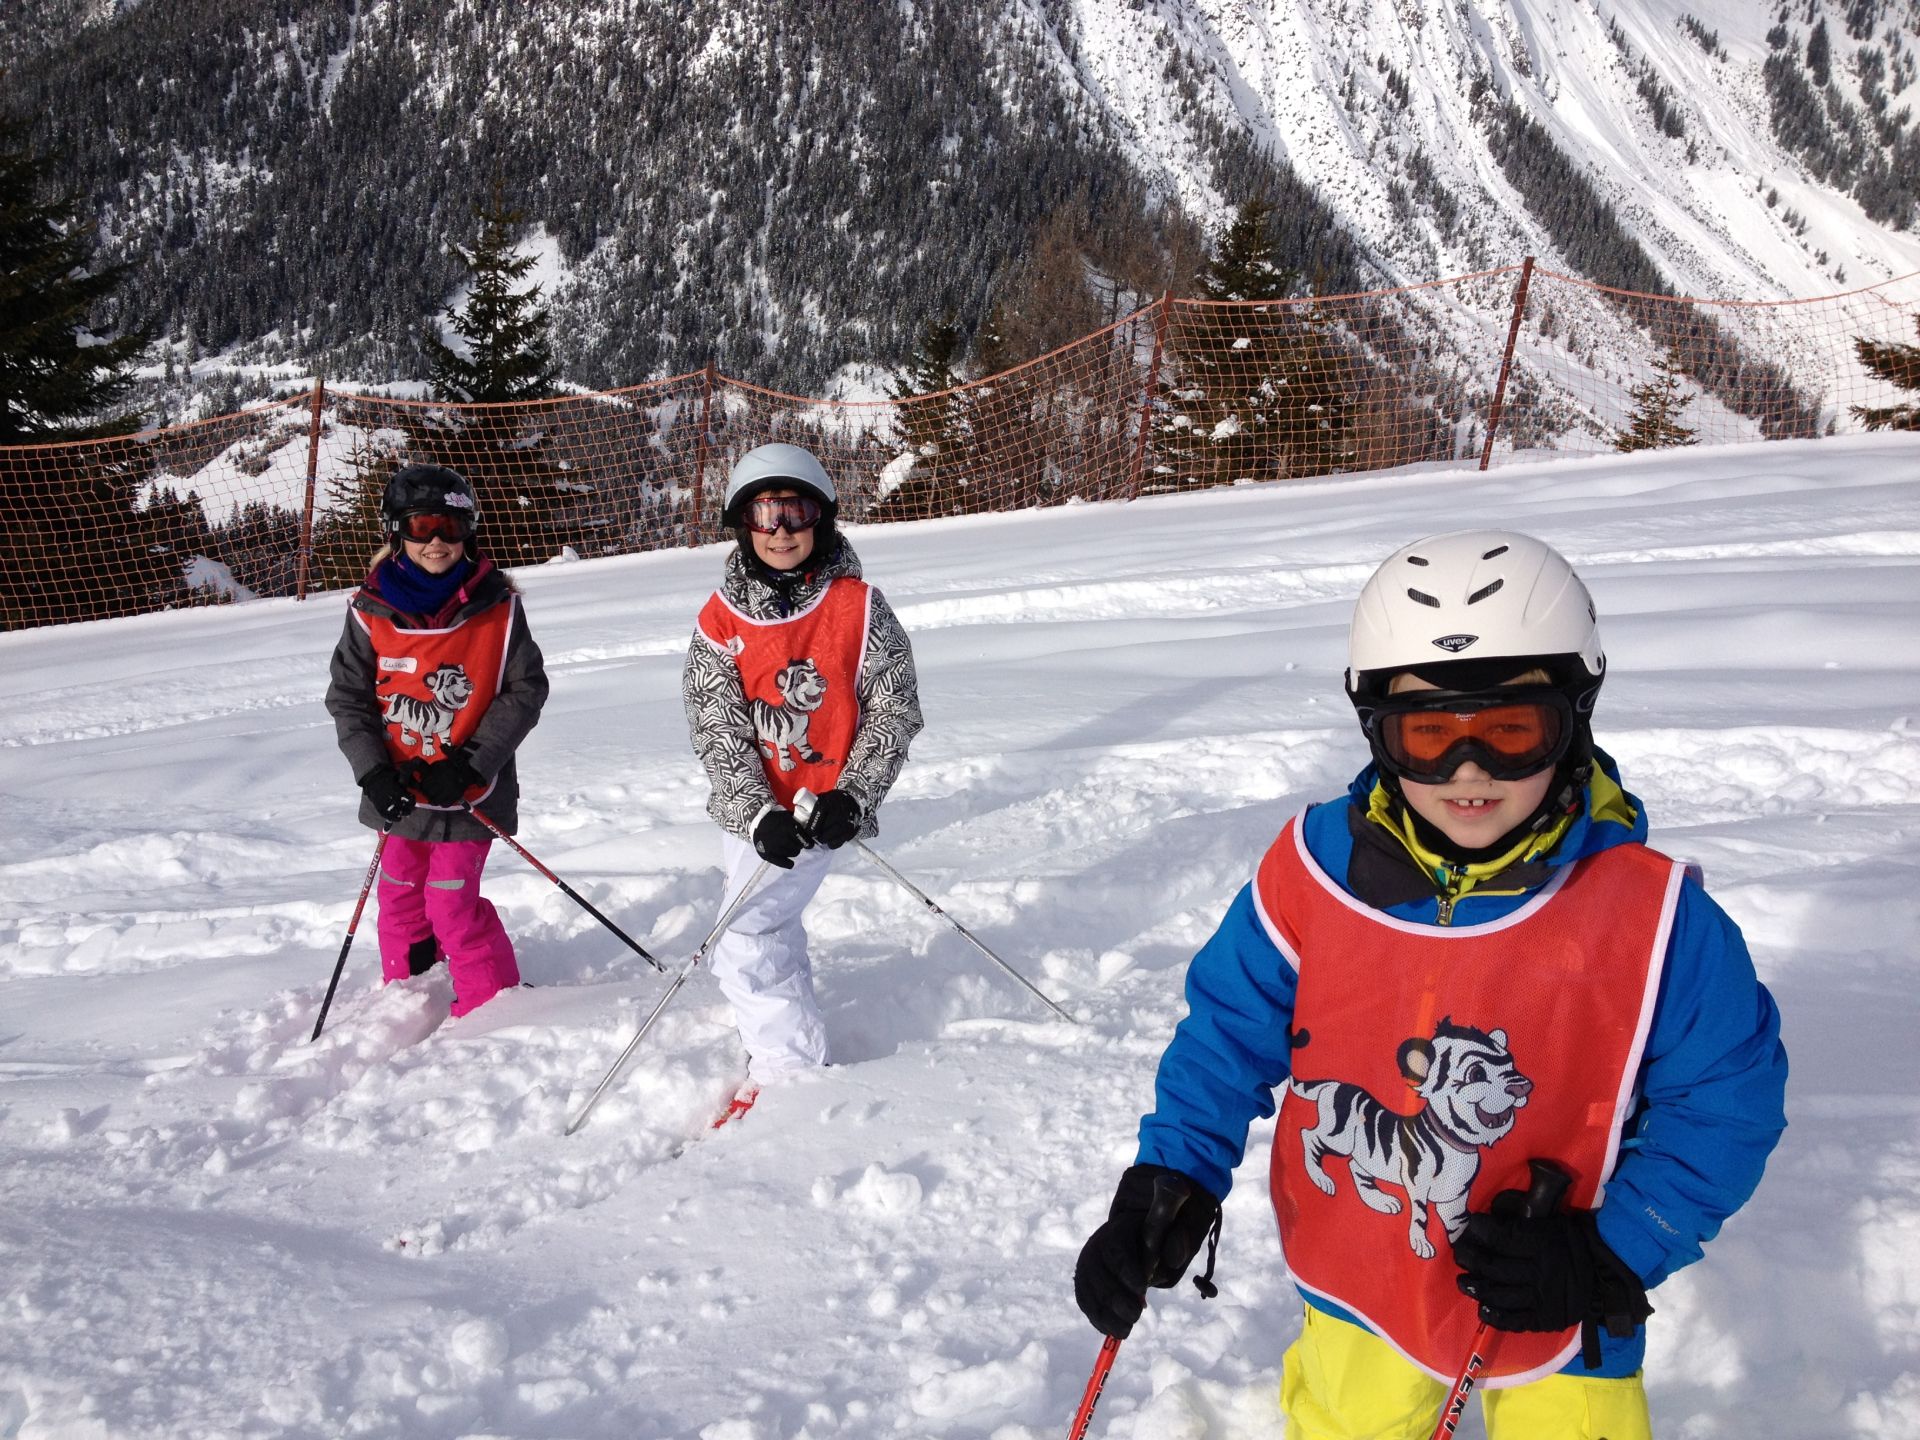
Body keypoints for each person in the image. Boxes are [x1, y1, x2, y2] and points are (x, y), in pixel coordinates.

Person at [1073, 530, 1787, 1439]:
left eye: (1510, 729)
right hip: (1362, 1285)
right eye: (1430, 735)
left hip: (1556, 1298)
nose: (1470, 773)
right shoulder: (1313, 875)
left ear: (1574, 720)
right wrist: (1172, 1172)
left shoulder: (1652, 920)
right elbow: (1227, 1033)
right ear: (1380, 733)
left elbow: (1728, 1099)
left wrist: (1614, 1251)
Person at [682, 442, 922, 1118]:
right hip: (760, 819)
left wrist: (855, 794)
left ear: (822, 519)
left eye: (797, 511)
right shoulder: (720, 622)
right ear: (742, 523)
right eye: (765, 514)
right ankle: (778, 1034)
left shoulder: (859, 608)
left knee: (746, 933)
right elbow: (717, 726)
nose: (781, 530)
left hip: (821, 808)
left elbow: (895, 705)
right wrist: (754, 812)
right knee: (759, 927)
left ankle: (788, 1070)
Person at [324, 463, 549, 1018]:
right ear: (396, 530)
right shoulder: (369, 610)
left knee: (449, 902)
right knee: (399, 891)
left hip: (470, 788)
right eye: (423, 525)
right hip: (400, 787)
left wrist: (474, 765)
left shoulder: (497, 607)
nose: (437, 541)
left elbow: (525, 688)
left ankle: (490, 1005)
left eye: (451, 526)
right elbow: (349, 698)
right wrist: (372, 773)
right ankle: (410, 993)